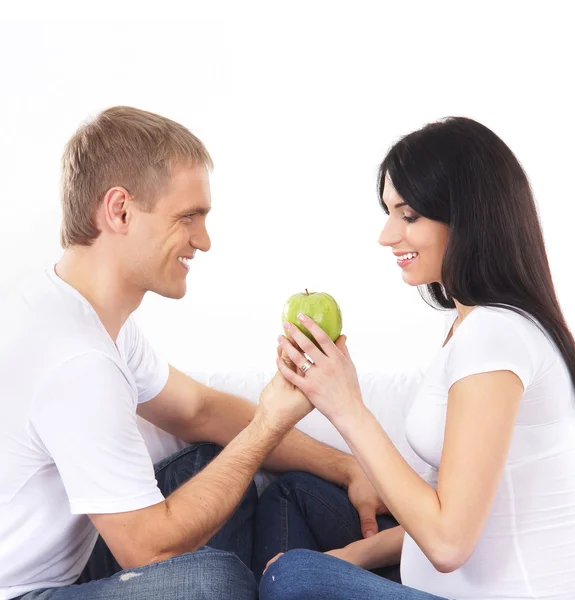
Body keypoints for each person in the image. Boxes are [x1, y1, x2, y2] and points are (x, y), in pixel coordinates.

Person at [0, 106, 386, 600]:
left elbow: (199, 411)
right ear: (119, 210)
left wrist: (350, 466)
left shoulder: (89, 316)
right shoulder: (78, 360)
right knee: (214, 582)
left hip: (81, 555)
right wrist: (267, 425)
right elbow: (146, 551)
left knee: (211, 458)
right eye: (188, 217)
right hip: (26, 591)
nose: (203, 241)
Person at [256, 117, 575, 599]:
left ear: (467, 218)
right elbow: (464, 509)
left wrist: (346, 406)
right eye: (389, 213)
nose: (387, 236)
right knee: (291, 494)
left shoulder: (494, 338)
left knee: (290, 577)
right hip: (430, 579)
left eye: (408, 216)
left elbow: (448, 542)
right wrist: (354, 555)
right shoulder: (481, 324)